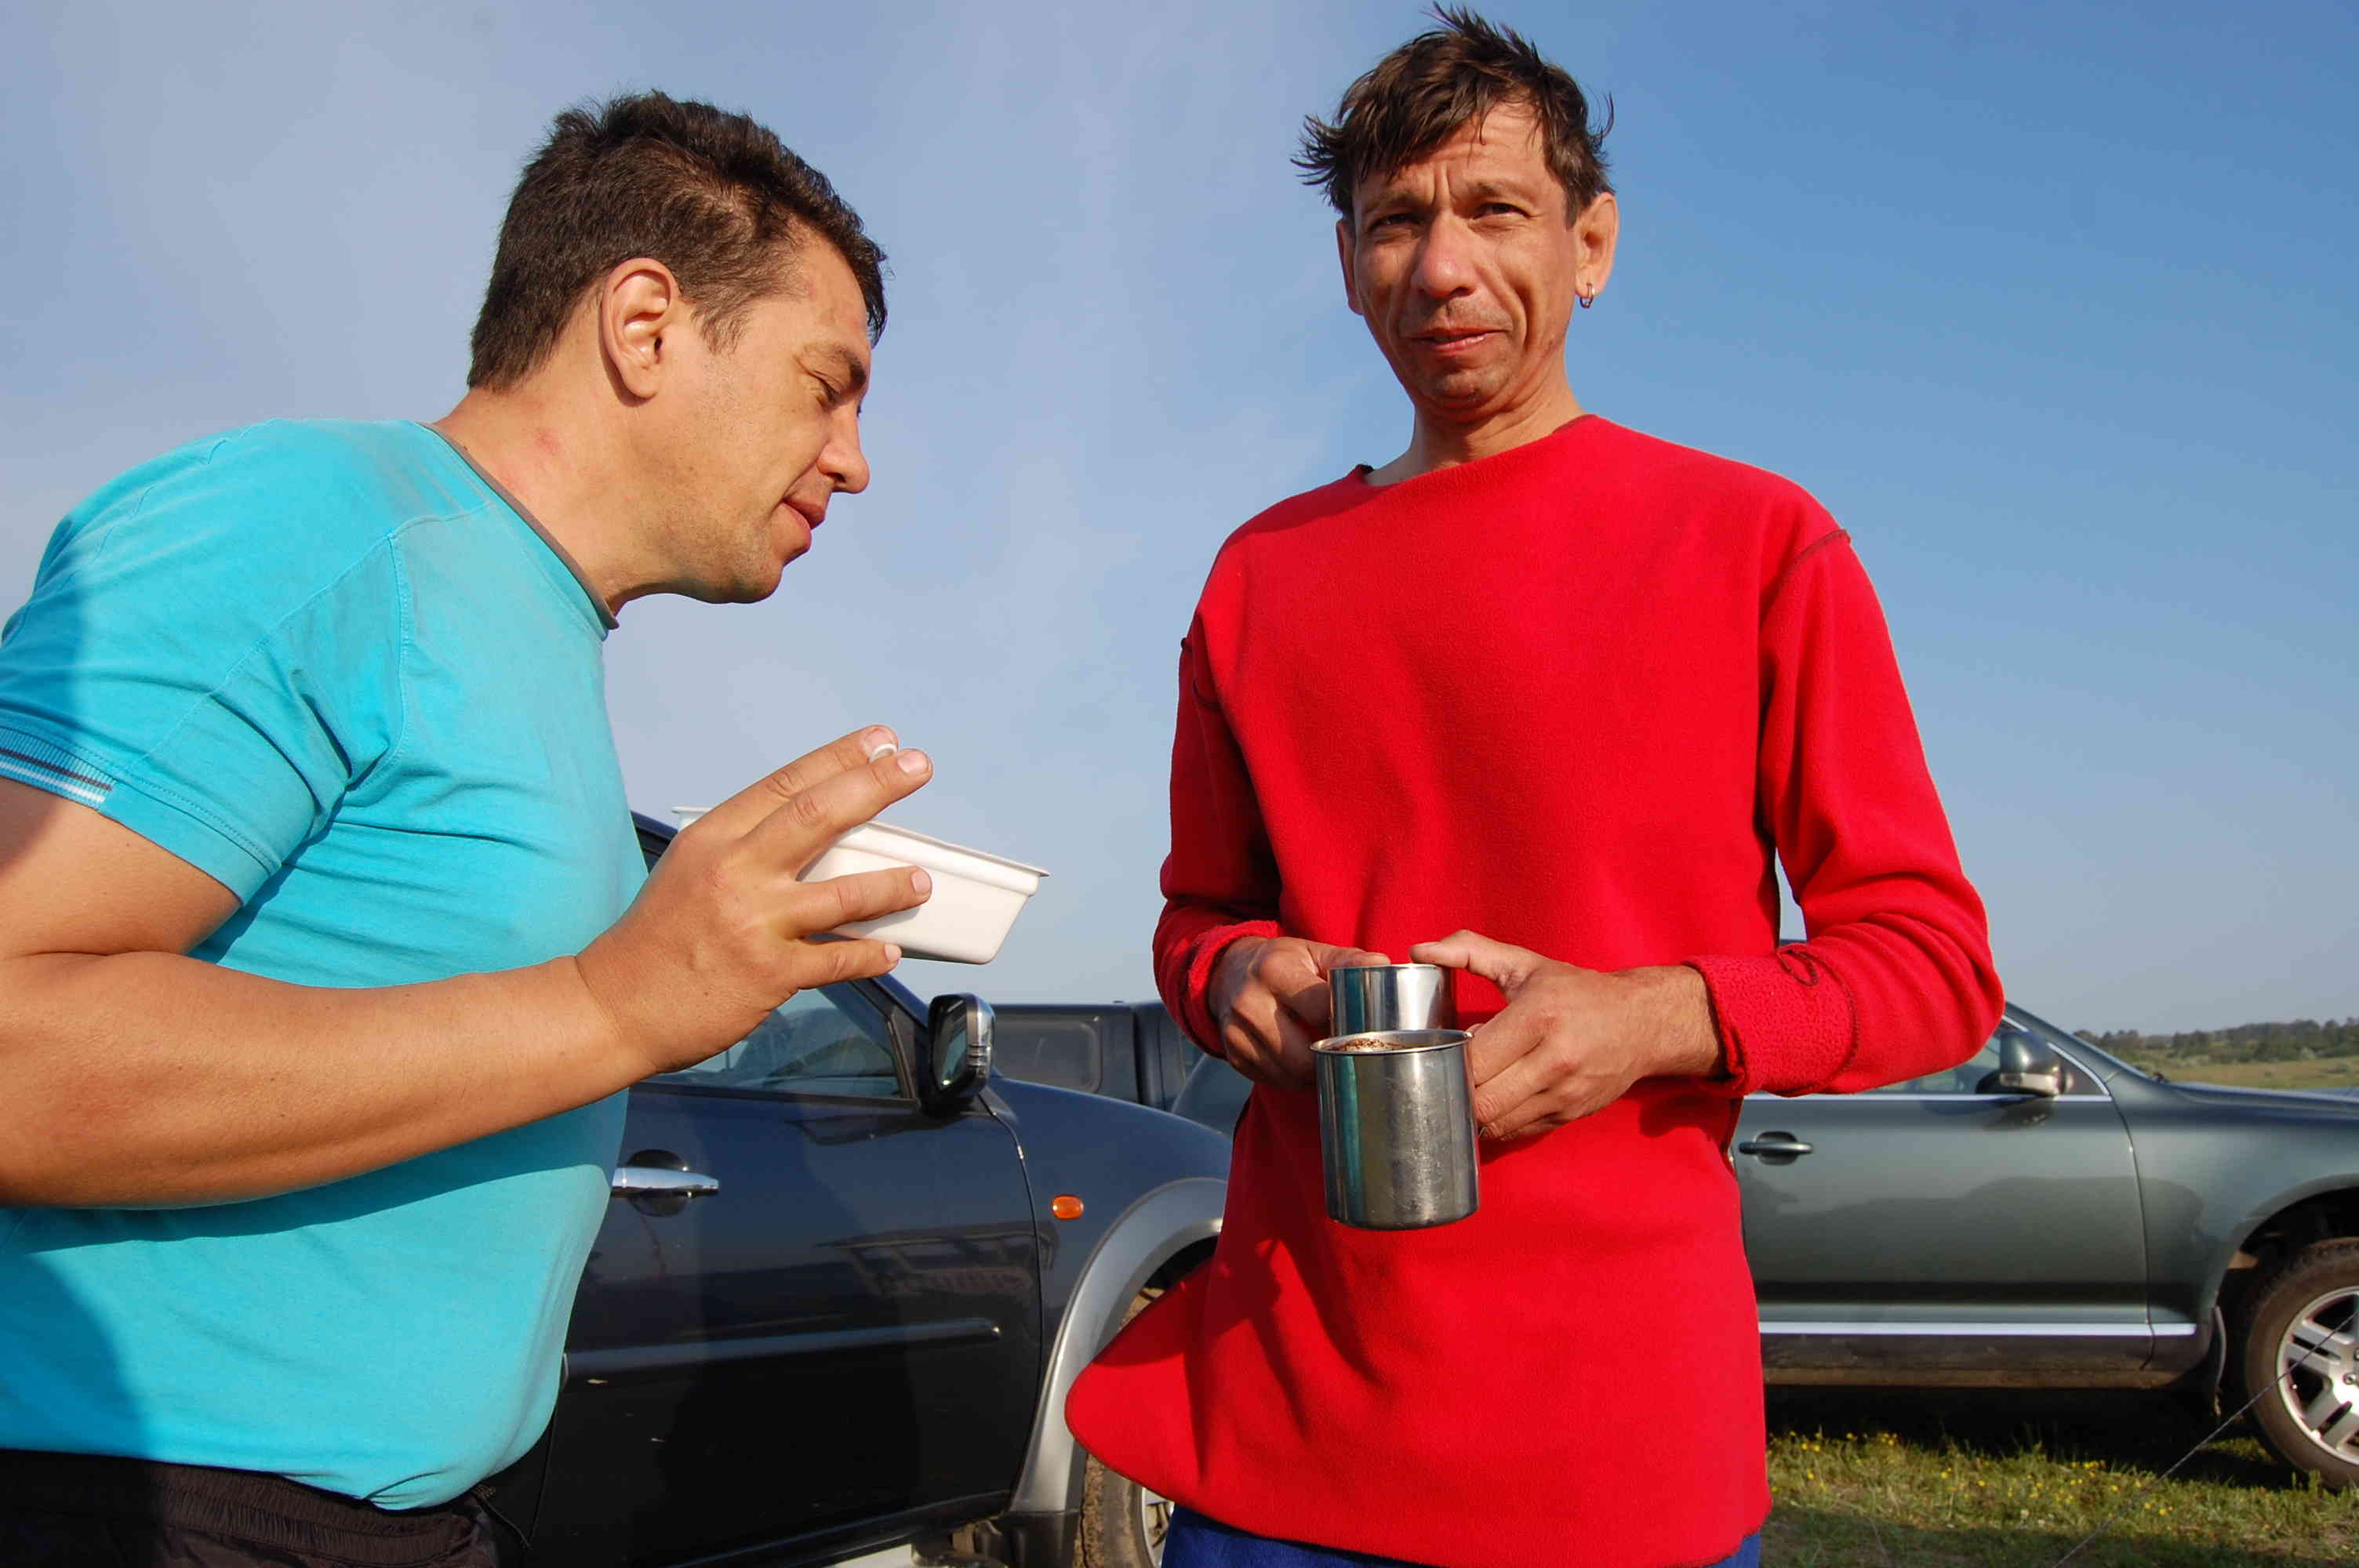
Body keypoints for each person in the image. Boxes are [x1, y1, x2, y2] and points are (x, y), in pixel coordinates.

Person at [1066, 12, 2002, 1568]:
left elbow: (1932, 969)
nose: (1440, 268)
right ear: (1348, 263)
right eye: (1394, 223)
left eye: (1494, 210)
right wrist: (1231, 975)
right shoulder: (1257, 576)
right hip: (1279, 1444)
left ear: (1593, 244)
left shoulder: (1757, 544)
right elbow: (1196, 916)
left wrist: (1654, 1016)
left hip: (1619, 1463)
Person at [0, 93, 939, 1566]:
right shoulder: (316, 523)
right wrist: (612, 1006)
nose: (855, 459)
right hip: (147, 1508)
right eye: (827, 385)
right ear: (645, 326)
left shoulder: (533, 622)